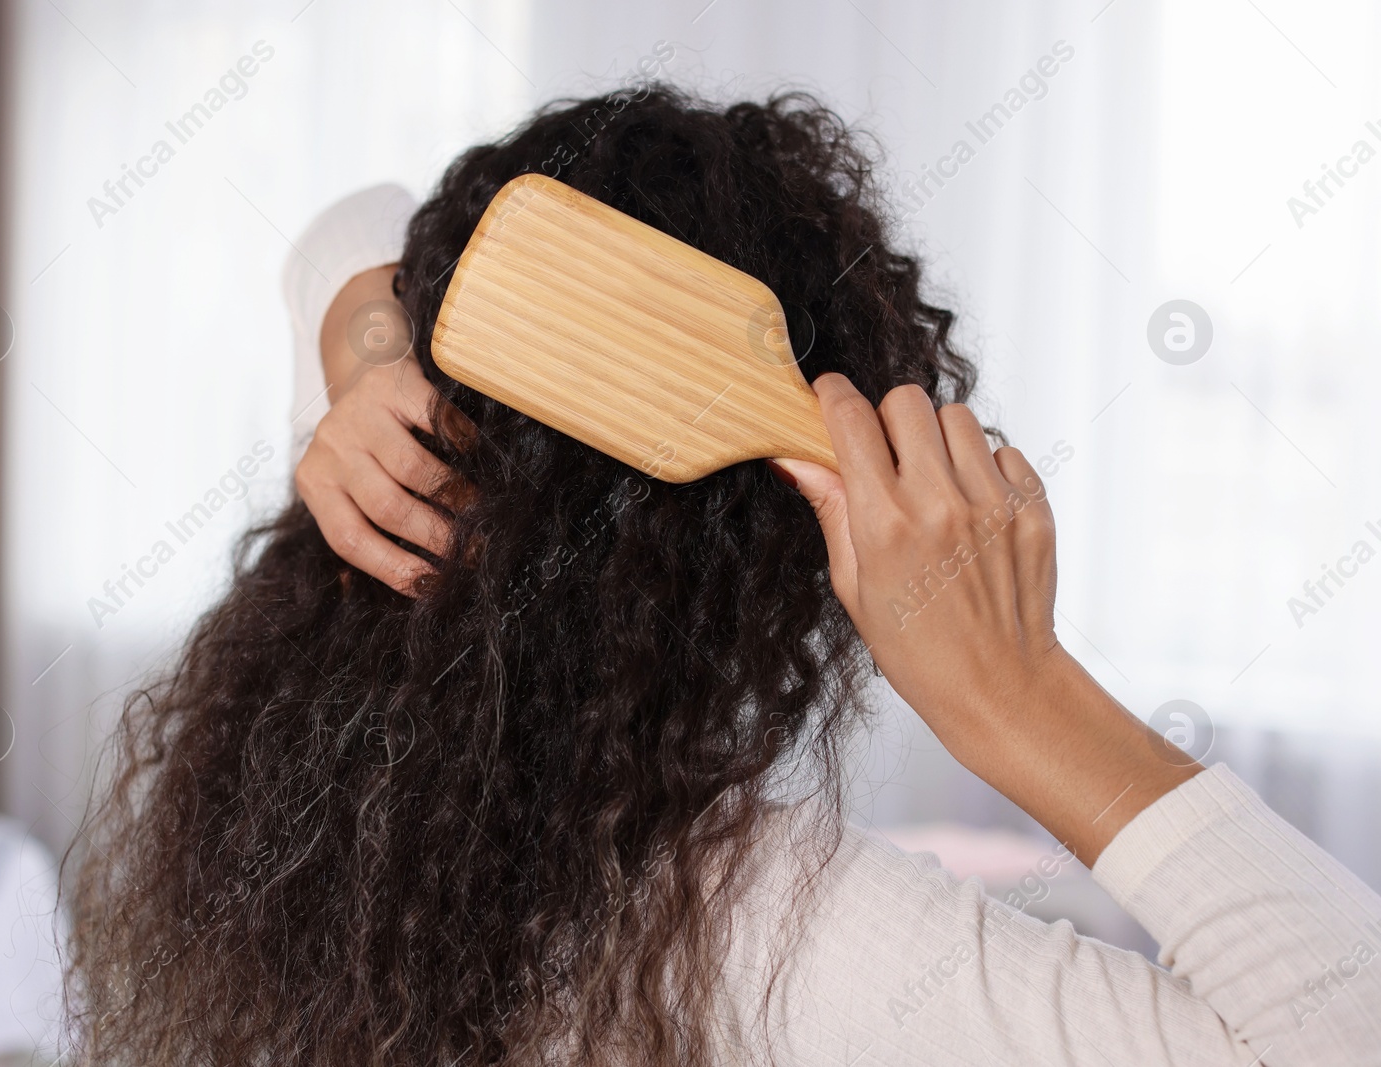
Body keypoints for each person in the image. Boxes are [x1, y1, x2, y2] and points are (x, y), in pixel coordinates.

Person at [67, 88, 1381, 1066]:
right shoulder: (754, 931)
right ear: (749, 567)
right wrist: (1026, 699)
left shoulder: (314, 814)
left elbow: (344, 231)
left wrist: (364, 344)